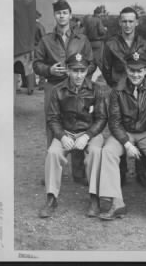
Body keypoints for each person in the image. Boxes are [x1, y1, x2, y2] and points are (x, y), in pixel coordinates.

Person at [98, 51, 146, 227]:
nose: (135, 75)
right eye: (132, 70)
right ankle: (116, 203)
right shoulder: (117, 90)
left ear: (145, 71)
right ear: (126, 70)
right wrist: (127, 144)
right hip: (125, 132)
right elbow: (114, 121)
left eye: (140, 71)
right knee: (108, 151)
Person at [33, 0, 96, 185]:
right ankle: (52, 171)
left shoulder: (82, 39)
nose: (62, 16)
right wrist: (49, 70)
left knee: (76, 124)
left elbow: (91, 63)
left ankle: (78, 173)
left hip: (76, 88)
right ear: (55, 16)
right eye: (58, 13)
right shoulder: (46, 40)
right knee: (53, 125)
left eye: (65, 12)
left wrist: (80, 77)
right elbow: (36, 64)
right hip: (53, 87)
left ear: (70, 14)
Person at [39, 52, 107, 218]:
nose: (78, 75)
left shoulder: (96, 89)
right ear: (68, 70)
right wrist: (62, 136)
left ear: (87, 71)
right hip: (66, 132)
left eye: (82, 71)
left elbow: (101, 118)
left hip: (89, 132)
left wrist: (87, 136)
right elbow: (52, 118)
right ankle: (51, 197)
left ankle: (94, 197)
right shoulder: (58, 90)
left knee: (96, 152)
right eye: (75, 71)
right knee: (53, 153)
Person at [101, 6, 146, 188]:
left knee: (139, 126)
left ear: (137, 22)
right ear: (119, 22)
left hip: (139, 90)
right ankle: (121, 172)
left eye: (131, 21)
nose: (127, 24)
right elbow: (105, 68)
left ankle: (141, 171)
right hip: (119, 92)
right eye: (124, 21)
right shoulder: (111, 44)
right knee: (120, 128)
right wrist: (116, 85)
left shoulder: (145, 44)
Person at [82, 6, 107, 70]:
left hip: (89, 43)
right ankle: (105, 76)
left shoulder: (88, 20)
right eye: (101, 13)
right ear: (99, 13)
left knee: (91, 62)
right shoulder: (98, 20)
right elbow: (101, 31)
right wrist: (105, 30)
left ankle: (88, 77)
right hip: (98, 43)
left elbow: (84, 32)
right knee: (100, 61)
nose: (102, 15)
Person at [35, 10, 46, 90]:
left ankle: (29, 84)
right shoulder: (40, 26)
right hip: (38, 47)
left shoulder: (27, 26)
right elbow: (43, 38)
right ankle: (41, 84)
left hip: (29, 47)